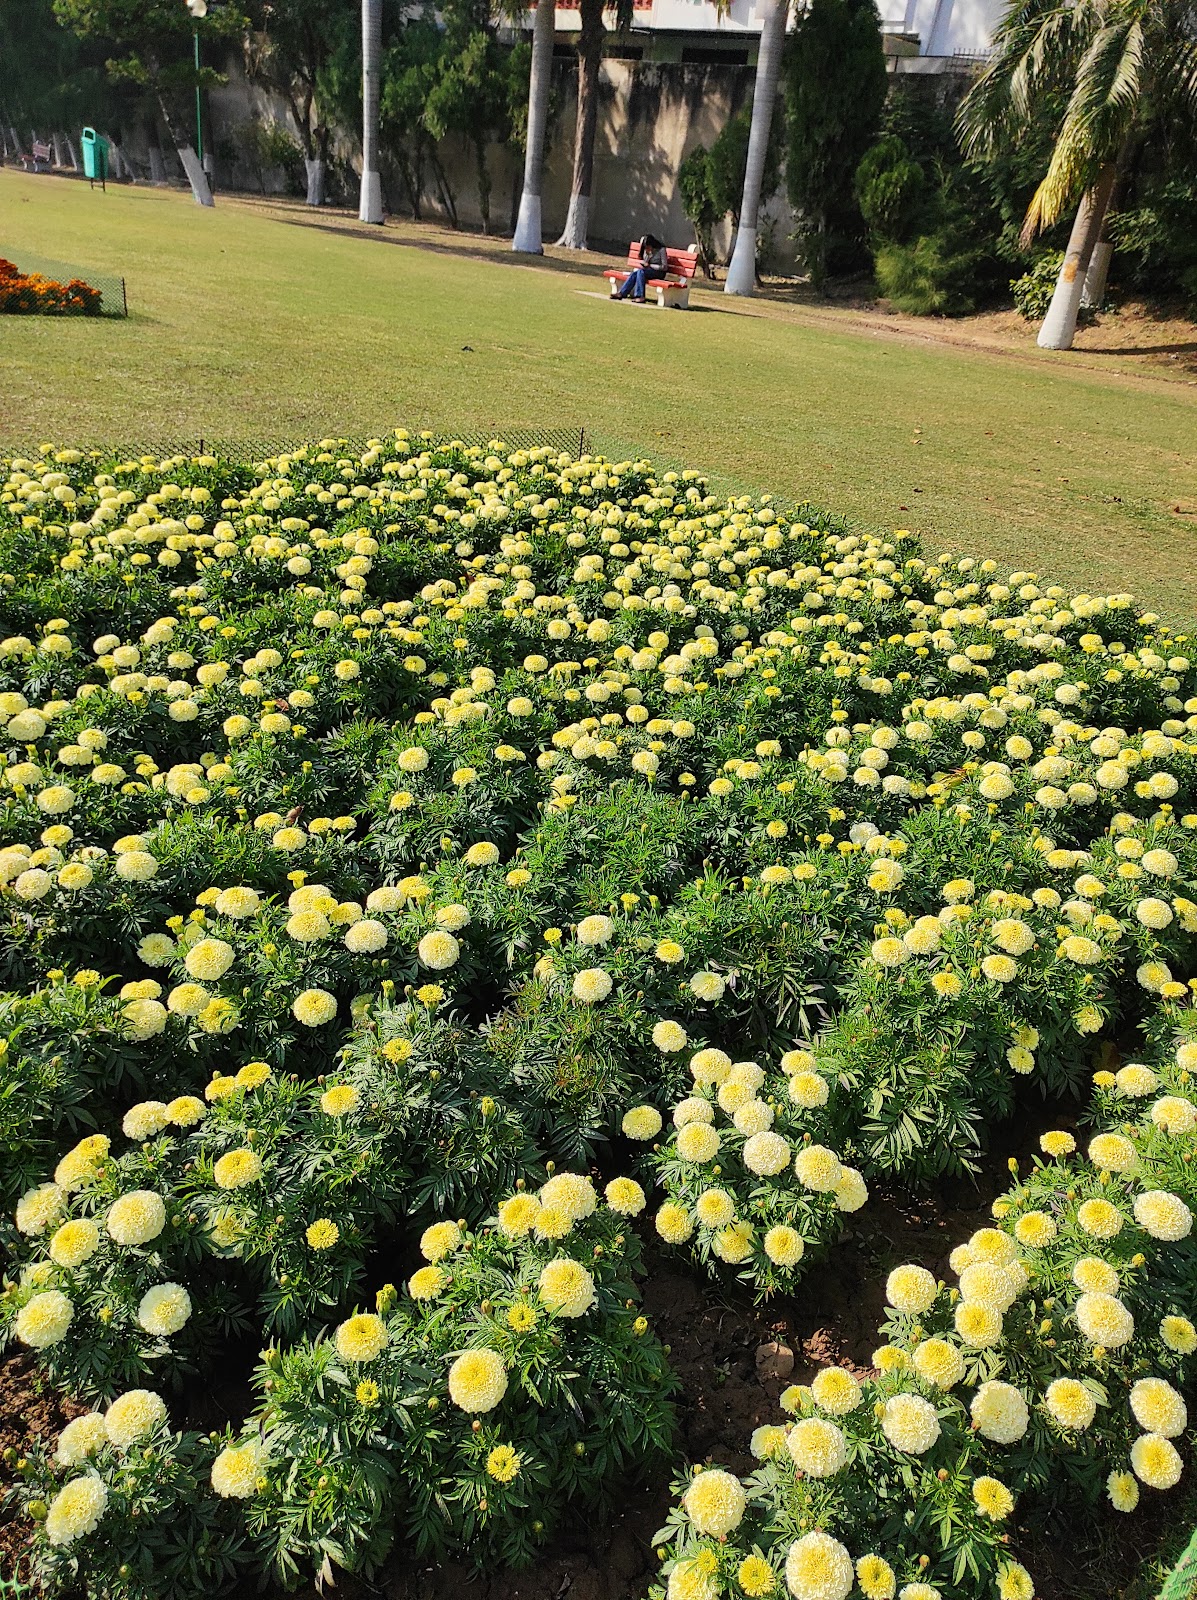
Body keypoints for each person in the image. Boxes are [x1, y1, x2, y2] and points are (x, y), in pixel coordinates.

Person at [617, 234, 668, 301]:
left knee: (641, 272)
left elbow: (664, 267)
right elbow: (645, 261)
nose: (647, 248)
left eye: (648, 246)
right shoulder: (647, 251)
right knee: (634, 274)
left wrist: (650, 266)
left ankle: (640, 296)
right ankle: (622, 293)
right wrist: (648, 255)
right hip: (648, 271)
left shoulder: (661, 250)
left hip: (659, 272)